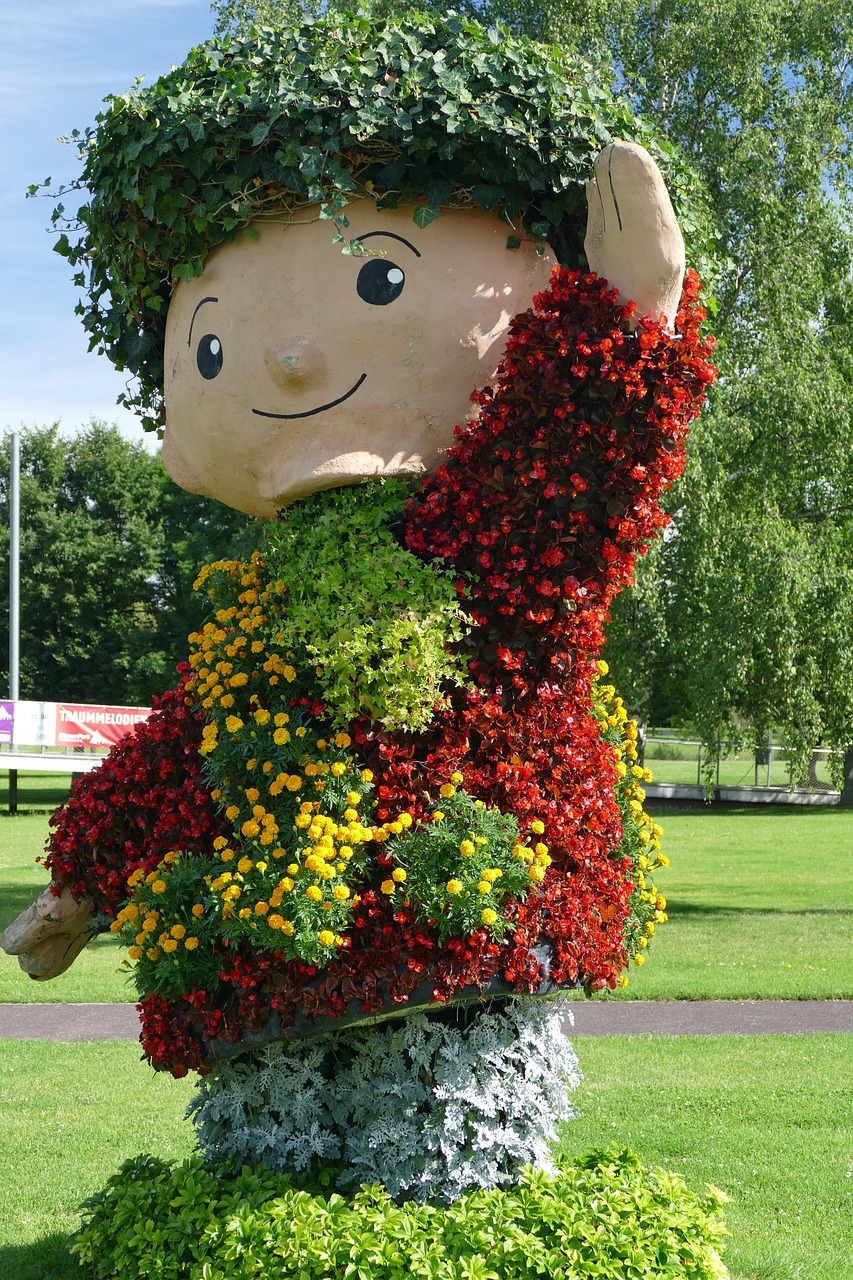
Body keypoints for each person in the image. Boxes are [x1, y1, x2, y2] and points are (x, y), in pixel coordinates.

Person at [2, 16, 714, 1079]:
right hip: (264, 969)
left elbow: (562, 493)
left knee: (441, 1144)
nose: (288, 357)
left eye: (380, 279)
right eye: (210, 339)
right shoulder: (260, 611)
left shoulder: (476, 549)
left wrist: (625, 323)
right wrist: (82, 882)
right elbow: (185, 747)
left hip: (450, 933)